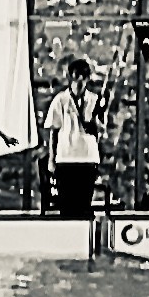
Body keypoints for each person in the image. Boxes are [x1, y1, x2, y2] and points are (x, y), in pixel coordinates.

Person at [41, 58, 105, 219]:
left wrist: (94, 123)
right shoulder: (60, 100)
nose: (80, 81)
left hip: (87, 158)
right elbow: (53, 132)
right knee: (67, 207)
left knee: (83, 206)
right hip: (66, 158)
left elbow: (101, 130)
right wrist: (51, 159)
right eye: (76, 77)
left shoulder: (95, 99)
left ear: (88, 79)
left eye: (84, 77)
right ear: (70, 78)